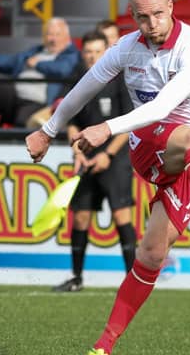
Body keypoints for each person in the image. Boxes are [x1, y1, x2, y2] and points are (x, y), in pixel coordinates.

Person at [25, 0, 190, 355]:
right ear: (132, 17)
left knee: (151, 255)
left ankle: (103, 346)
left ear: (172, 7)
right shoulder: (126, 48)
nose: (152, 24)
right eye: (142, 18)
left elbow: (163, 105)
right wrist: (47, 131)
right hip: (150, 147)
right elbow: (84, 87)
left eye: (158, 14)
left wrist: (106, 128)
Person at [53, 31, 136, 292]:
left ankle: (133, 282)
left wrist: (108, 154)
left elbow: (130, 123)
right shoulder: (79, 81)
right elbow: (71, 121)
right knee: (80, 218)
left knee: (121, 216)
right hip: (87, 159)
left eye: (97, 51)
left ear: (106, 52)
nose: (92, 56)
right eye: (88, 51)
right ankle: (76, 278)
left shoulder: (121, 80)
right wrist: (77, 151)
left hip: (116, 157)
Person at [0, 17, 80, 127]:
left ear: (67, 37)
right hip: (14, 94)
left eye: (57, 34)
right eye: (50, 34)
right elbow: (9, 62)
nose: (53, 39)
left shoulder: (71, 54)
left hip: (38, 102)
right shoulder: (36, 51)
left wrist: (38, 64)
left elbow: (63, 70)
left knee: (22, 123)